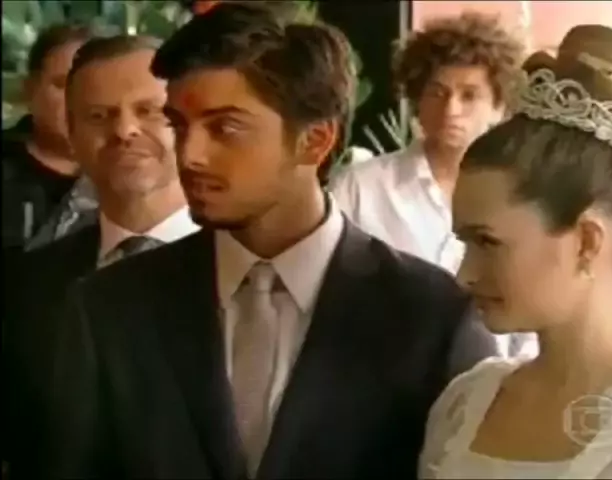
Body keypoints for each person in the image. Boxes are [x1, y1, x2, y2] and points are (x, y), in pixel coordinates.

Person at [43, 4, 498, 479]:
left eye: (225, 128)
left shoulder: (432, 319)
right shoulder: (108, 308)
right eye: (179, 125)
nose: (190, 155)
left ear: (315, 141)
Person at [418, 23, 612, 479]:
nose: (464, 275)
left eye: (487, 242)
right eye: (465, 243)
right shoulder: (466, 402)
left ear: (586, 242)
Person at [2, 34, 199, 478]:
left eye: (149, 111)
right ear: (72, 135)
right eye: (99, 115)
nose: (124, 130)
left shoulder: (254, 272)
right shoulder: (27, 283)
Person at [331, 13, 535, 359]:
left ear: (499, 106)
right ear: (416, 98)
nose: (451, 109)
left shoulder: (523, 196)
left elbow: (530, 324)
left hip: (494, 379)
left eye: (469, 95)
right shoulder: (361, 188)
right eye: (437, 92)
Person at [2, 24, 94, 250]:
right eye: (62, 84)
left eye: (92, 86)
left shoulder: (128, 173)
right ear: (30, 89)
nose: (79, 99)